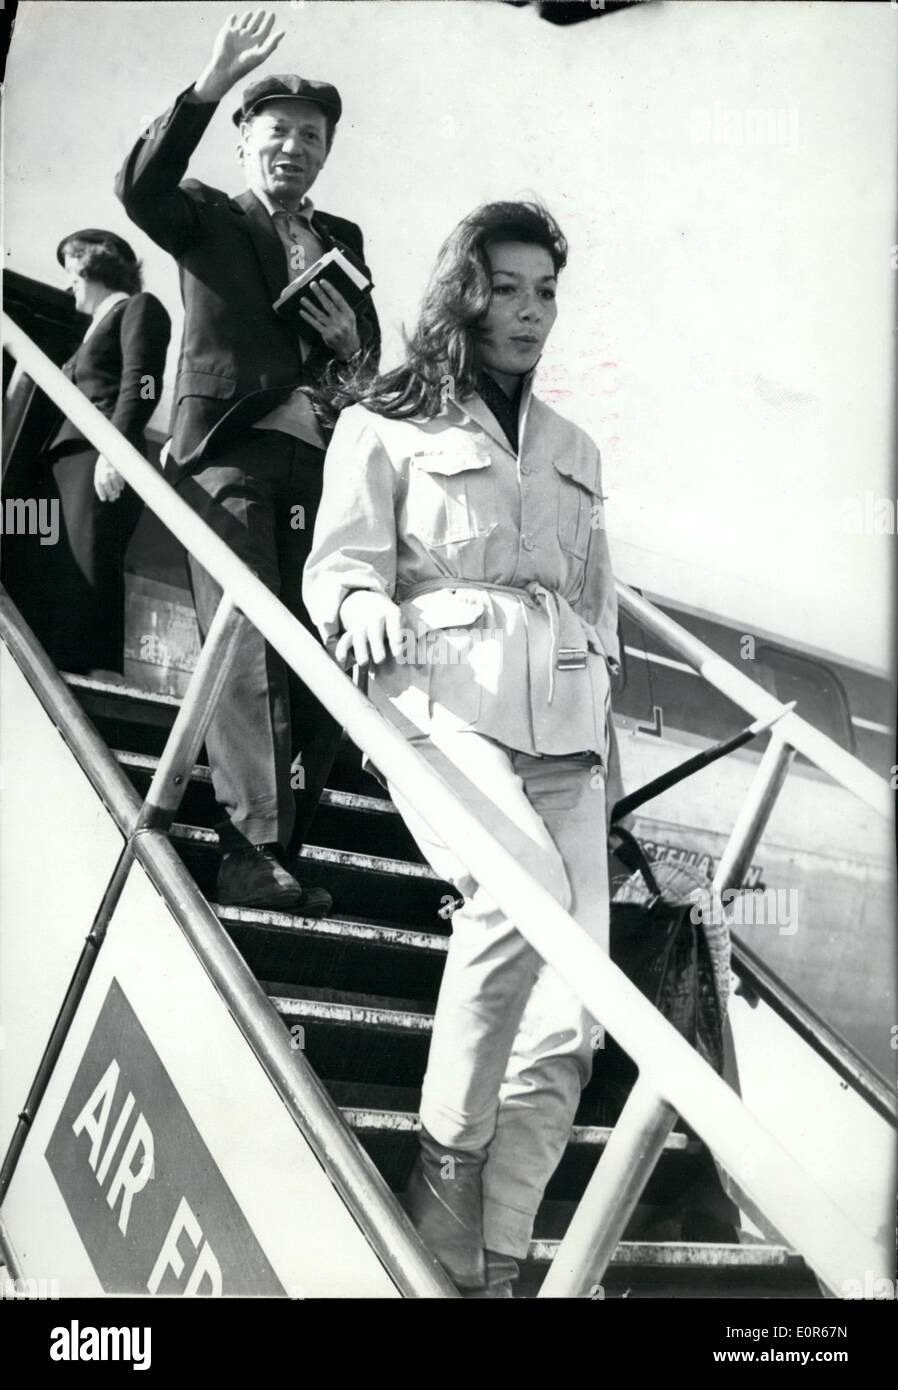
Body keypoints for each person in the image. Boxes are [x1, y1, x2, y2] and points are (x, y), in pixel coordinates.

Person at [303, 201, 620, 1296]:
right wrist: (355, 605)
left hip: (569, 732)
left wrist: (603, 683)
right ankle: (442, 1168)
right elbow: (339, 561)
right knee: (516, 885)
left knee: (577, 1010)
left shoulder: (576, 448)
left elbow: (596, 595)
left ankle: (499, 1250)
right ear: (462, 293)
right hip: (437, 692)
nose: (530, 312)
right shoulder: (382, 422)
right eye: (509, 288)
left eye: (546, 293)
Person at [115, 10, 380, 913]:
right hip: (227, 455)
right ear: (242, 142)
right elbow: (139, 189)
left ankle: (283, 842)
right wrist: (211, 80)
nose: (295, 148)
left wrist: (352, 349)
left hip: (322, 467)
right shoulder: (204, 216)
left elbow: (366, 363)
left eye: (313, 137)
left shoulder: (341, 236)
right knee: (249, 632)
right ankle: (247, 846)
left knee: (332, 650)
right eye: (278, 133)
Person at [9, 229, 170, 677]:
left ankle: (95, 672)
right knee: (46, 556)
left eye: (72, 272)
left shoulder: (138, 308)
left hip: (97, 460)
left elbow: (143, 382)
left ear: (90, 266)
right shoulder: (88, 330)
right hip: (61, 465)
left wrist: (114, 452)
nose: (69, 285)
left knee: (88, 564)